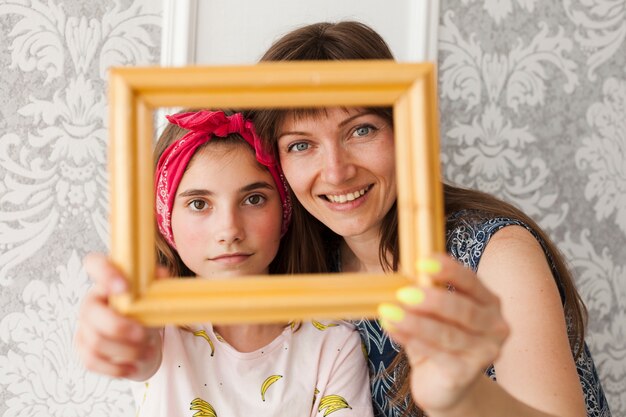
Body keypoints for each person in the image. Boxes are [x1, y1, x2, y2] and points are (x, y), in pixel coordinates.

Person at [248, 21, 611, 417]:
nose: (336, 172)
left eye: (361, 130)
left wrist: (464, 397)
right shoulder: (307, 271)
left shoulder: (496, 254)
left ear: (405, 129)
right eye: (301, 144)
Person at [75, 109, 374, 417]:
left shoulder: (334, 344)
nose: (230, 230)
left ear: (284, 212)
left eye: (254, 199)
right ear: (167, 221)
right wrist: (120, 336)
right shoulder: (158, 327)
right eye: (199, 204)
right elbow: (139, 353)